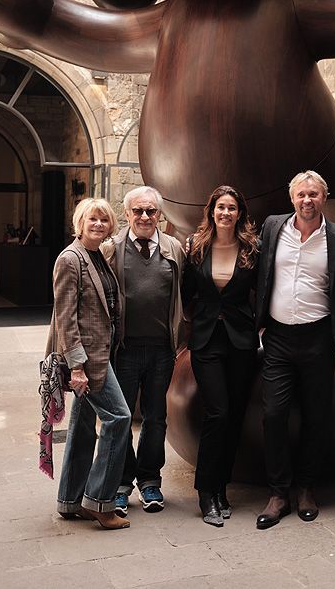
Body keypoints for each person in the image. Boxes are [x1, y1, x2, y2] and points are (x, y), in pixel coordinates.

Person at [255, 170, 335, 529]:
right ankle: (278, 492)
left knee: (317, 415)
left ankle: (306, 488)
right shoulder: (272, 227)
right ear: (291, 198)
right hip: (279, 337)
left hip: (319, 337)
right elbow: (255, 267)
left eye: (313, 194)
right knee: (274, 414)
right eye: (301, 195)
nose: (307, 200)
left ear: (323, 198)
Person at [46, 198, 132, 530]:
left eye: (103, 220)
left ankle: (70, 501)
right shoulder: (70, 259)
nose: (98, 224)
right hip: (87, 360)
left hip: (101, 352)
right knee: (120, 417)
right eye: (91, 219)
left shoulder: (97, 255)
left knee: (83, 428)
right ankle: (99, 501)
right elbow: (65, 318)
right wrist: (77, 367)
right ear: (79, 222)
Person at [101, 186, 184, 516]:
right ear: (127, 214)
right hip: (125, 349)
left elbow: (184, 295)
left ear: (160, 215)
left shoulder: (174, 248)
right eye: (138, 211)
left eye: (151, 211)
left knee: (156, 418)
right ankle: (122, 483)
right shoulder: (111, 248)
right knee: (120, 418)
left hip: (162, 349)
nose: (145, 217)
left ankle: (150, 481)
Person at [183, 185, 259, 527]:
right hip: (206, 342)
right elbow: (186, 293)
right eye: (220, 207)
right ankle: (205, 491)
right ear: (211, 211)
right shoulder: (195, 247)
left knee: (234, 417)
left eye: (231, 208)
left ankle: (221, 488)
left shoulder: (251, 249)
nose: (225, 213)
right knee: (218, 412)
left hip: (241, 343)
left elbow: (263, 290)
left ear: (239, 213)